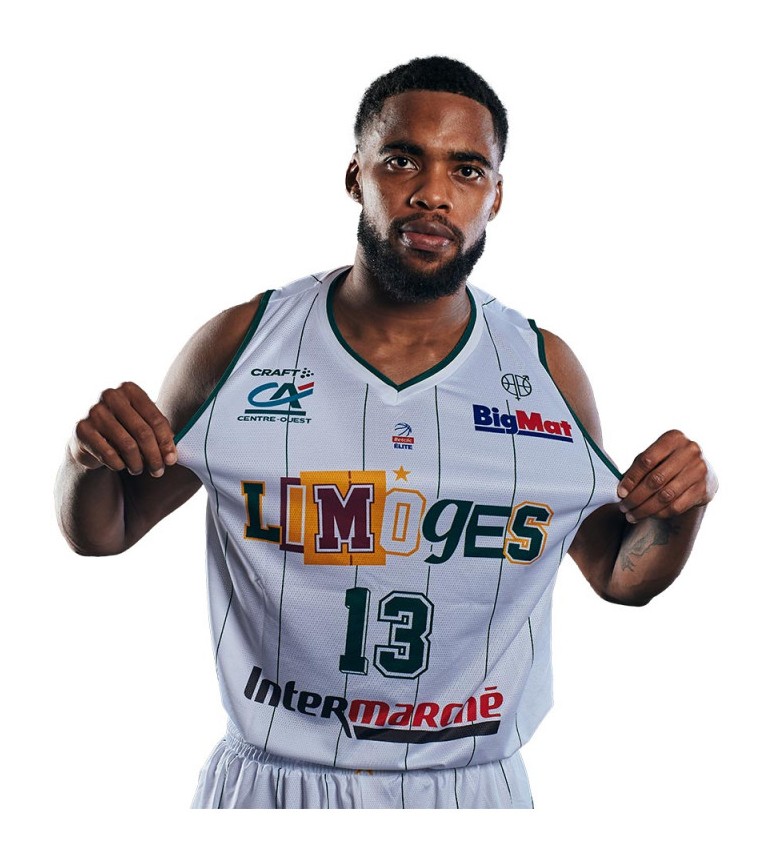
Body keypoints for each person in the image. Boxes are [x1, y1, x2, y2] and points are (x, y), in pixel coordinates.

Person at [55, 56, 717, 809]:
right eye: (403, 160)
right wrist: (85, 458)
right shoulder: (243, 342)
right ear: (355, 176)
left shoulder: (542, 367)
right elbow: (105, 531)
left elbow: (619, 575)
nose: (434, 193)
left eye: (467, 170)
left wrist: (683, 507)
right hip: (276, 784)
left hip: (470, 790)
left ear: (496, 197)